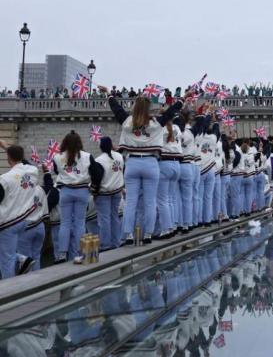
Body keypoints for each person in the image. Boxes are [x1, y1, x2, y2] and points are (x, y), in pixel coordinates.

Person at [109, 94, 182, 245]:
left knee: (130, 202)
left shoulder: (128, 122)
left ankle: (128, 235)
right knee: (150, 202)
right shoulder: (155, 123)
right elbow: (170, 112)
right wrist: (182, 100)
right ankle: (148, 234)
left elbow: (117, 109)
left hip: (133, 163)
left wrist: (109, 95)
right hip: (150, 163)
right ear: (148, 108)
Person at [53, 131, 103, 262]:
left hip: (65, 191)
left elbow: (56, 171)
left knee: (65, 223)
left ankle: (62, 254)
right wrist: (94, 187)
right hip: (82, 191)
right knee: (80, 223)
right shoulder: (87, 156)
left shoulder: (58, 157)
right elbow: (97, 173)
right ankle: (79, 253)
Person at [0, 142, 39, 278]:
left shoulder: (4, 179)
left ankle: (9, 291)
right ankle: (21, 259)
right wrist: (8, 149)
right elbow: (26, 163)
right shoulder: (33, 171)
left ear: (8, 158)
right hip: (24, 220)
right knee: (6, 253)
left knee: (6, 260)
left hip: (8, 223)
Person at [94, 137, 125, 250]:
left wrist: (94, 192)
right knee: (115, 217)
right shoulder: (119, 156)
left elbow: (97, 178)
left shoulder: (99, 160)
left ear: (101, 146)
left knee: (104, 219)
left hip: (104, 193)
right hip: (117, 191)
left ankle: (105, 244)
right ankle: (116, 242)